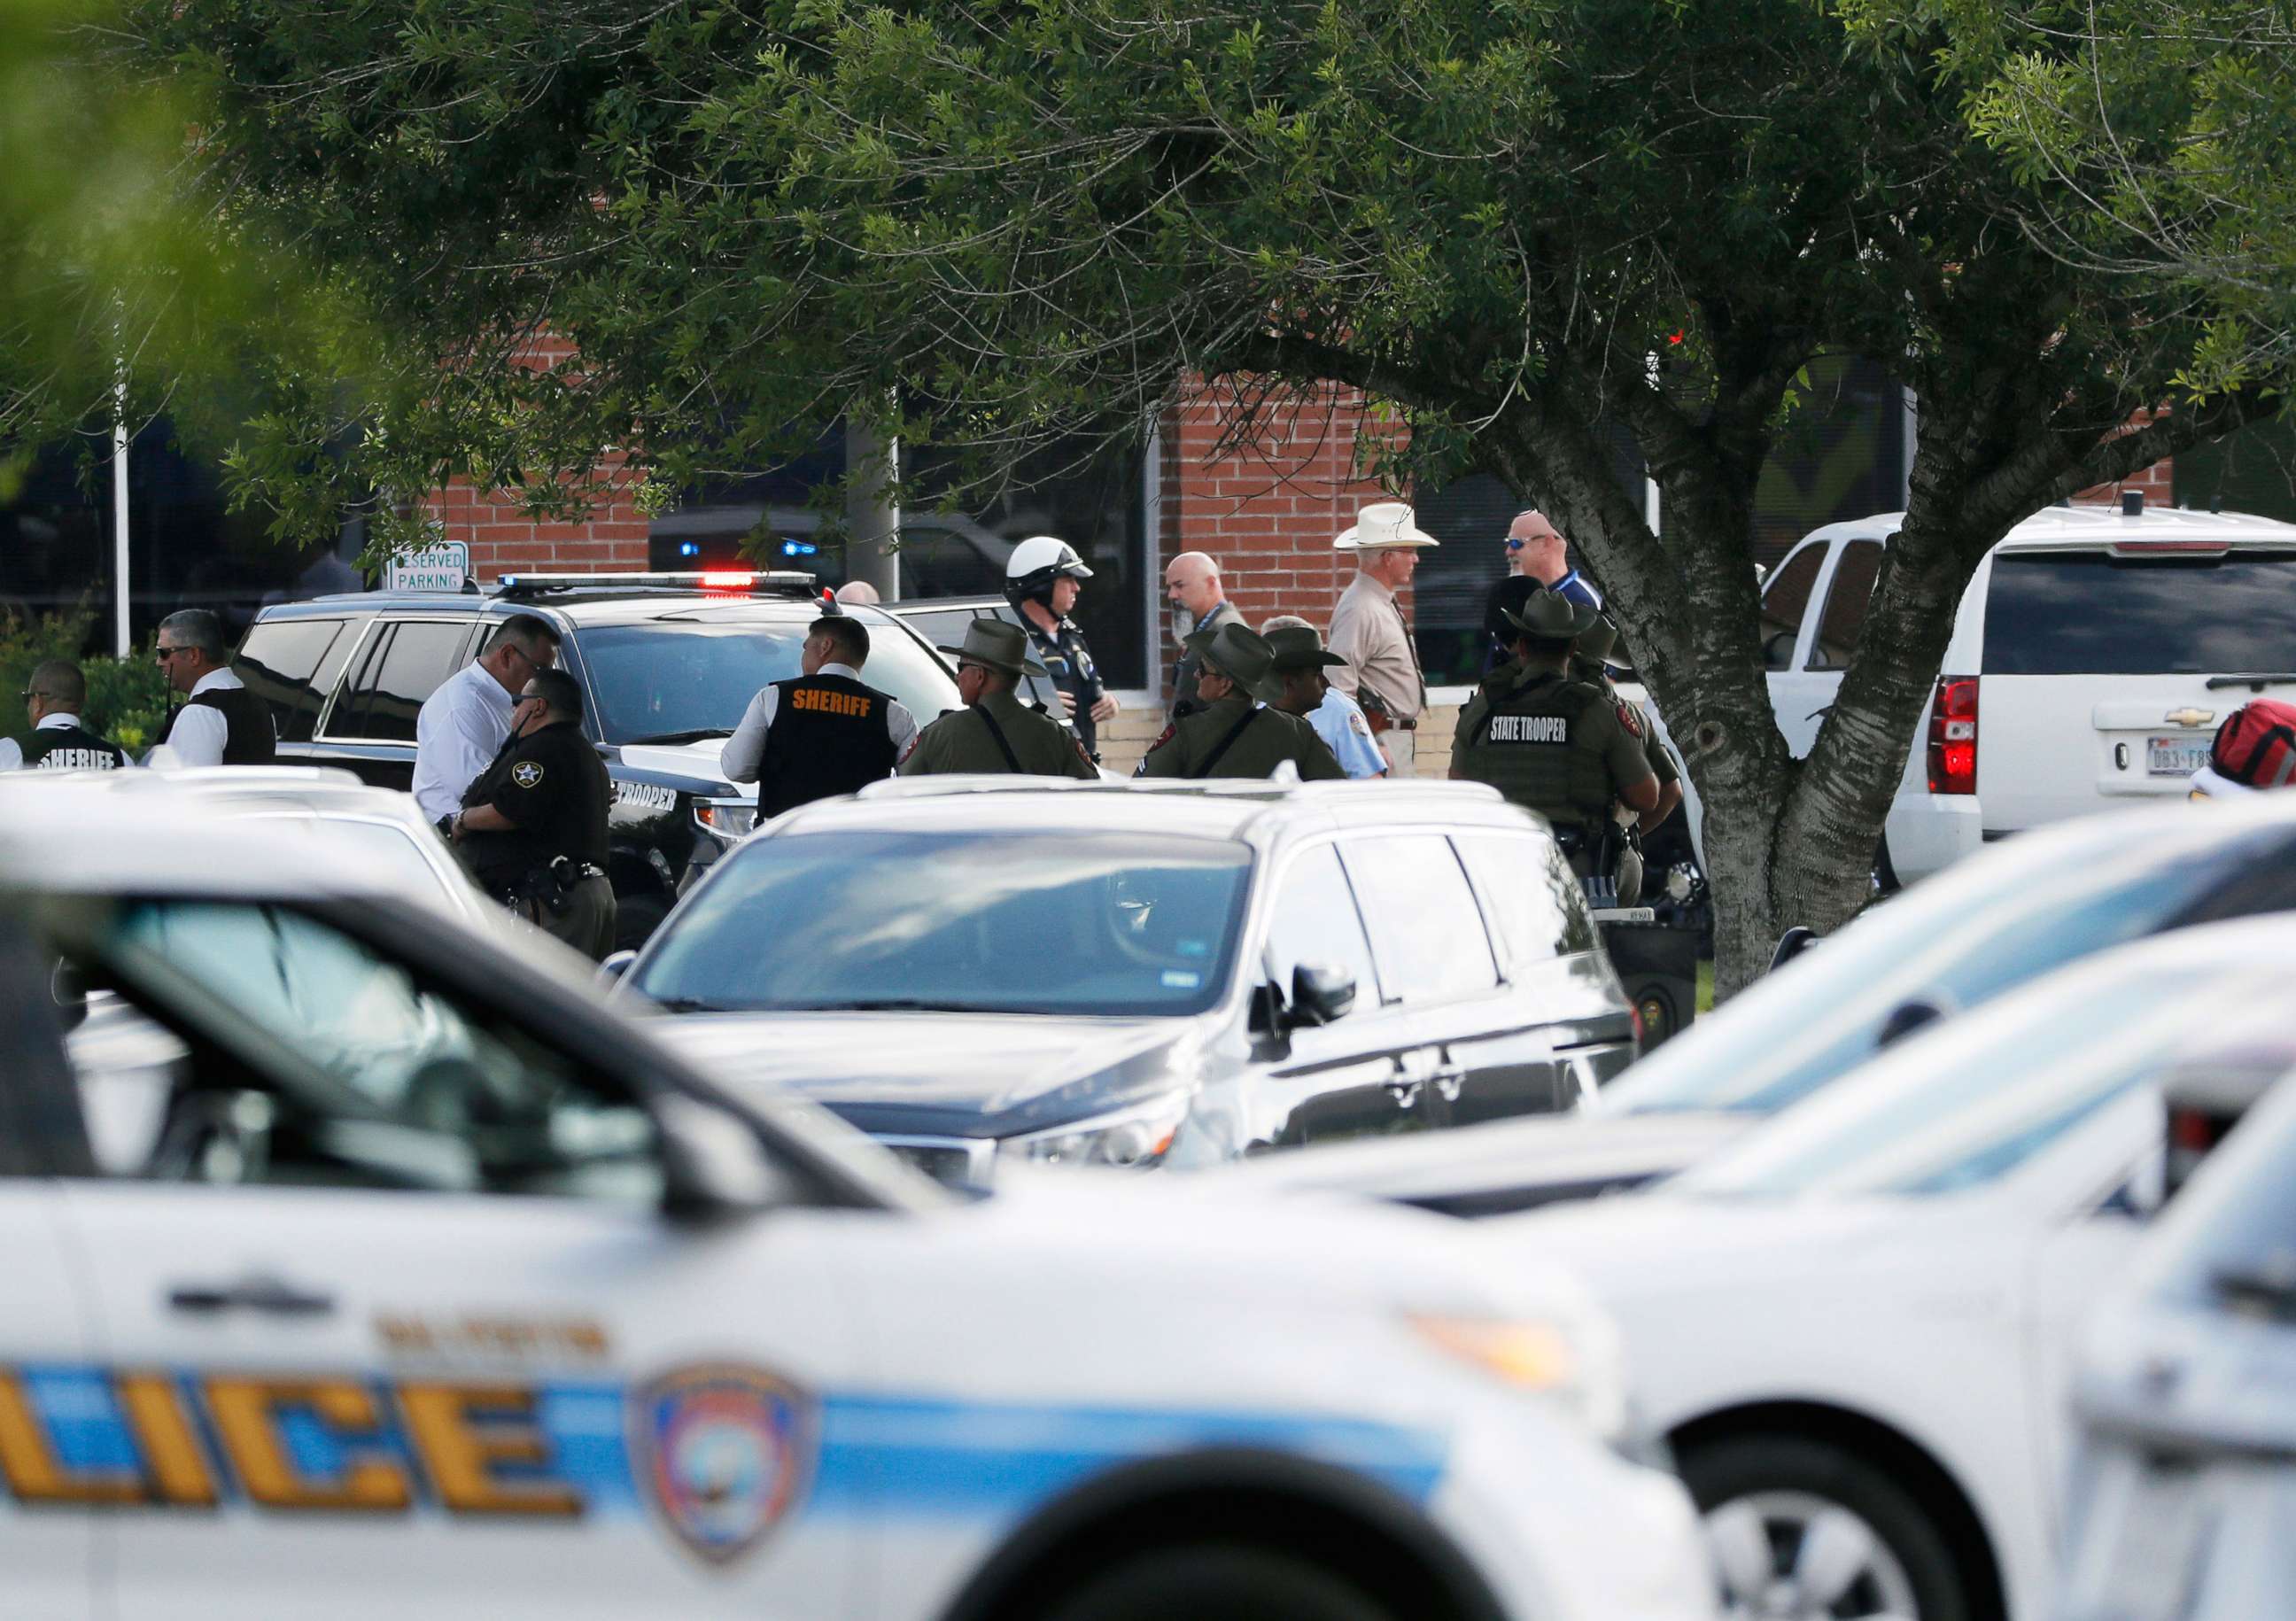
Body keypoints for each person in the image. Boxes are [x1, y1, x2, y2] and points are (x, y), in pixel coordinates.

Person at [1451, 589, 1658, 892]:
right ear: (1574, 646)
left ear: (1521, 646)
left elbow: (1459, 792)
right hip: (1582, 876)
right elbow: (1646, 798)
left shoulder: (1481, 709)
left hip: (1499, 872)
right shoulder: (1600, 710)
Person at [450, 667, 616, 958]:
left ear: (538, 706)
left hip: (555, 900)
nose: (513, 709)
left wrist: (463, 820)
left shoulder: (543, 749)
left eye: (518, 701)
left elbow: (510, 811)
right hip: (582, 893)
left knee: (541, 995)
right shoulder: (581, 751)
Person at [720, 609, 919, 816]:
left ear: (825, 646)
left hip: (784, 836)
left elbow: (737, 768)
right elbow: (915, 786)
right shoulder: (893, 713)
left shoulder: (774, 698)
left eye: (806, 647)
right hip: (860, 838)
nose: (803, 656)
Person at [1571, 614, 1685, 904]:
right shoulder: (1623, 714)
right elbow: (1667, 794)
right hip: (1601, 867)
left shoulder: (1500, 706)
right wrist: (1623, 838)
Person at [1137, 623, 1346, 781]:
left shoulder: (1186, 733)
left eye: (1202, 669)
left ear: (1225, 684)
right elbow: (1335, 795)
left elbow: (1142, 792)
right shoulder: (1299, 733)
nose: (1195, 675)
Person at [412, 614, 561, 832]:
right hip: (458, 846)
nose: (545, 682)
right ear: (507, 656)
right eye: (540, 671)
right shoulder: (463, 707)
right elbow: (480, 796)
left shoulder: (512, 699)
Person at [900, 618, 1099, 779]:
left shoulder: (939, 734)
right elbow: (1087, 788)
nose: (957, 676)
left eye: (961, 668)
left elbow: (902, 788)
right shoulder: (1056, 735)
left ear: (980, 676)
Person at [1326, 501, 1436, 776]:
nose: (1416, 559)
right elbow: (1338, 689)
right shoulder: (1361, 608)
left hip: (1390, 739)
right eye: (1409, 551)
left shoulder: (1374, 601)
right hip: (1381, 741)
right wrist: (1365, 747)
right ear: (1388, 557)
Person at [1005, 535, 1117, 759]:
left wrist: (1110, 702)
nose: (1077, 587)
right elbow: (992, 707)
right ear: (1042, 585)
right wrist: (1033, 708)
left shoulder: (1072, 636)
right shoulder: (1013, 640)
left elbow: (1088, 686)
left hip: (1083, 765)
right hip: (1040, 769)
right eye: (1068, 579)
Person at [1261, 617, 1385, 779]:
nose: (1326, 682)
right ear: (1289, 682)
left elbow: (1369, 780)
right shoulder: (1253, 716)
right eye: (1316, 675)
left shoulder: (1340, 709)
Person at [153, 609, 276, 766]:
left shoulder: (199, 713)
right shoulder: (261, 707)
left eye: (163, 653)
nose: (159, 662)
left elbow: (190, 787)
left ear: (194, 655)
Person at [0, 661, 130, 772]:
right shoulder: (120, 758)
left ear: (38, 702)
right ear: (83, 701)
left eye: (27, 698)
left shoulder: (9, 752)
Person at [1164, 551, 1244, 717]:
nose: (1172, 595)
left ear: (1210, 583)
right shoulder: (1207, 628)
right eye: (1169, 587)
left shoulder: (1225, 632)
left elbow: (1235, 708)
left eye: (1179, 585)